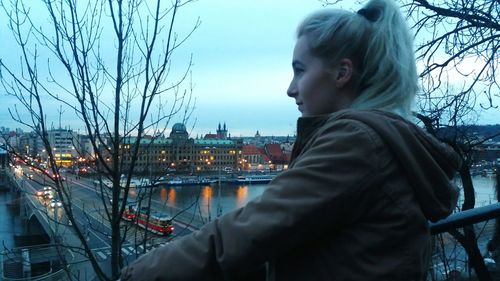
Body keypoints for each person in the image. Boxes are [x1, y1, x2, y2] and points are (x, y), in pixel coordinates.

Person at [120, 0, 460, 280]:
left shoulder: (357, 142)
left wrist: (138, 273)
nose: (291, 88)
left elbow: (247, 231)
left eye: (300, 69)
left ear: (342, 73)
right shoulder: (384, 135)